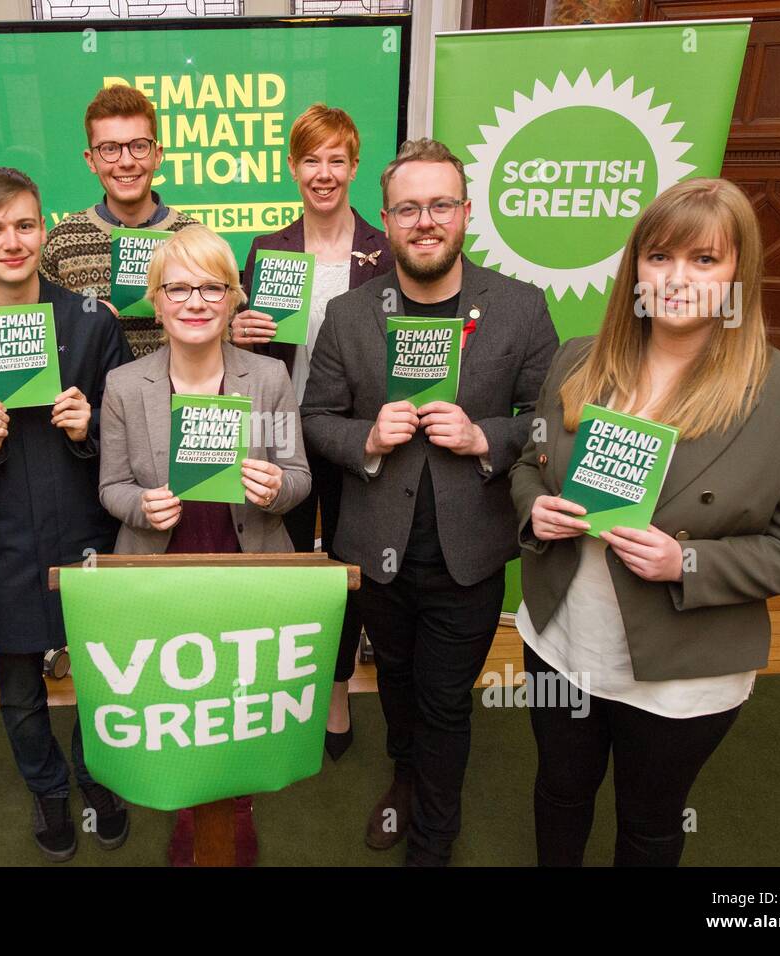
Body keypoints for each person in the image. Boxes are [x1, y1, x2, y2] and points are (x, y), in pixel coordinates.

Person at [510, 177, 780, 867]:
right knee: (560, 791)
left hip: (683, 667)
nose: (676, 279)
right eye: (659, 257)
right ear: (636, 267)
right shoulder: (578, 358)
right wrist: (533, 509)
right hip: (563, 638)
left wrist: (685, 563)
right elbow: (527, 463)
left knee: (650, 823)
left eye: (704, 260)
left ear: (739, 273)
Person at [301, 138, 559, 866]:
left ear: (465, 214)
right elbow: (317, 418)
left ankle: (433, 841)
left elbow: (547, 419)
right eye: (409, 208)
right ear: (386, 220)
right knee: (405, 691)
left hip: (469, 554)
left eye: (440, 204)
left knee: (446, 701)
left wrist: (484, 437)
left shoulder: (519, 308)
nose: (425, 220)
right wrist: (367, 439)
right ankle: (404, 779)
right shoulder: (351, 316)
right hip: (375, 549)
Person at [0, 167, 134, 863]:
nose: (12, 241)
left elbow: (132, 436)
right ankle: (45, 788)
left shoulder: (94, 321)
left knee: (103, 670)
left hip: (88, 531)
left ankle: (98, 778)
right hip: (2, 534)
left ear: (44, 227)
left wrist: (88, 427)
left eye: (25, 225)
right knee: (16, 684)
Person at [98, 225, 312, 865]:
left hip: (248, 574)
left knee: (240, 704)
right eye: (178, 288)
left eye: (211, 287)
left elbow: (300, 478)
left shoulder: (269, 378)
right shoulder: (123, 386)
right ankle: (188, 808)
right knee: (181, 709)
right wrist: (142, 504)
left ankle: (237, 808)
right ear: (156, 301)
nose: (195, 301)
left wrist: (274, 487)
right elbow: (110, 485)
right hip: (162, 574)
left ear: (233, 299)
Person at [231, 104, 395, 760]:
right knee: (290, 565)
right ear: (293, 167)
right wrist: (233, 330)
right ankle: (289, 688)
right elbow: (243, 354)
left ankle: (334, 687)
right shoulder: (268, 249)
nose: (322, 173)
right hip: (279, 432)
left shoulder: (385, 251)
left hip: (356, 434)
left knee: (348, 563)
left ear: (354, 167)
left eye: (336, 160)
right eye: (310, 159)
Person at [40, 84, 199, 358]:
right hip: (92, 399)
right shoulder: (62, 241)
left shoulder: (194, 238)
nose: (126, 162)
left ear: (157, 154)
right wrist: (84, 322)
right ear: (91, 160)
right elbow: (46, 345)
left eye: (138, 146)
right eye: (110, 149)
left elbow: (222, 334)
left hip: (177, 397)